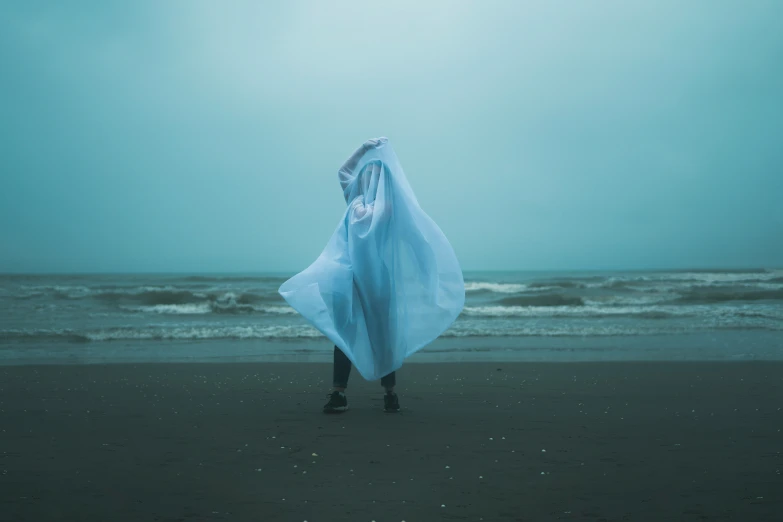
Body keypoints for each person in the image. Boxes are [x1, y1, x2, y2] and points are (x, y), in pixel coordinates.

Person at [278, 137, 464, 415]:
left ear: (383, 182)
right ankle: (347, 393)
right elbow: (344, 172)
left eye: (373, 174)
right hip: (350, 279)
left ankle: (383, 393)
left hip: (372, 282)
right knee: (350, 334)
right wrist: (365, 150)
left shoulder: (386, 210)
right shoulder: (359, 202)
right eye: (367, 173)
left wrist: (430, 274)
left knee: (380, 337)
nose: (367, 177)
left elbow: (417, 242)